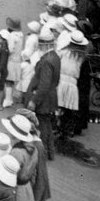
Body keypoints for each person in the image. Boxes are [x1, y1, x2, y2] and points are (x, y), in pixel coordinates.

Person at [2, 114, 38, 201]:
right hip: (27, 191)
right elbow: (33, 174)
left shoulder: (16, 152)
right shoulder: (34, 149)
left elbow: (8, 177)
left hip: (16, 193)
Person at [25, 29, 60, 160]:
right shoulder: (55, 57)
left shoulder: (46, 61)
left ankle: (41, 152)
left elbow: (44, 84)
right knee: (46, 125)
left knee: (41, 126)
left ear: (45, 45)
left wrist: (34, 100)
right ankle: (49, 152)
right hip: (50, 97)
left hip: (43, 99)